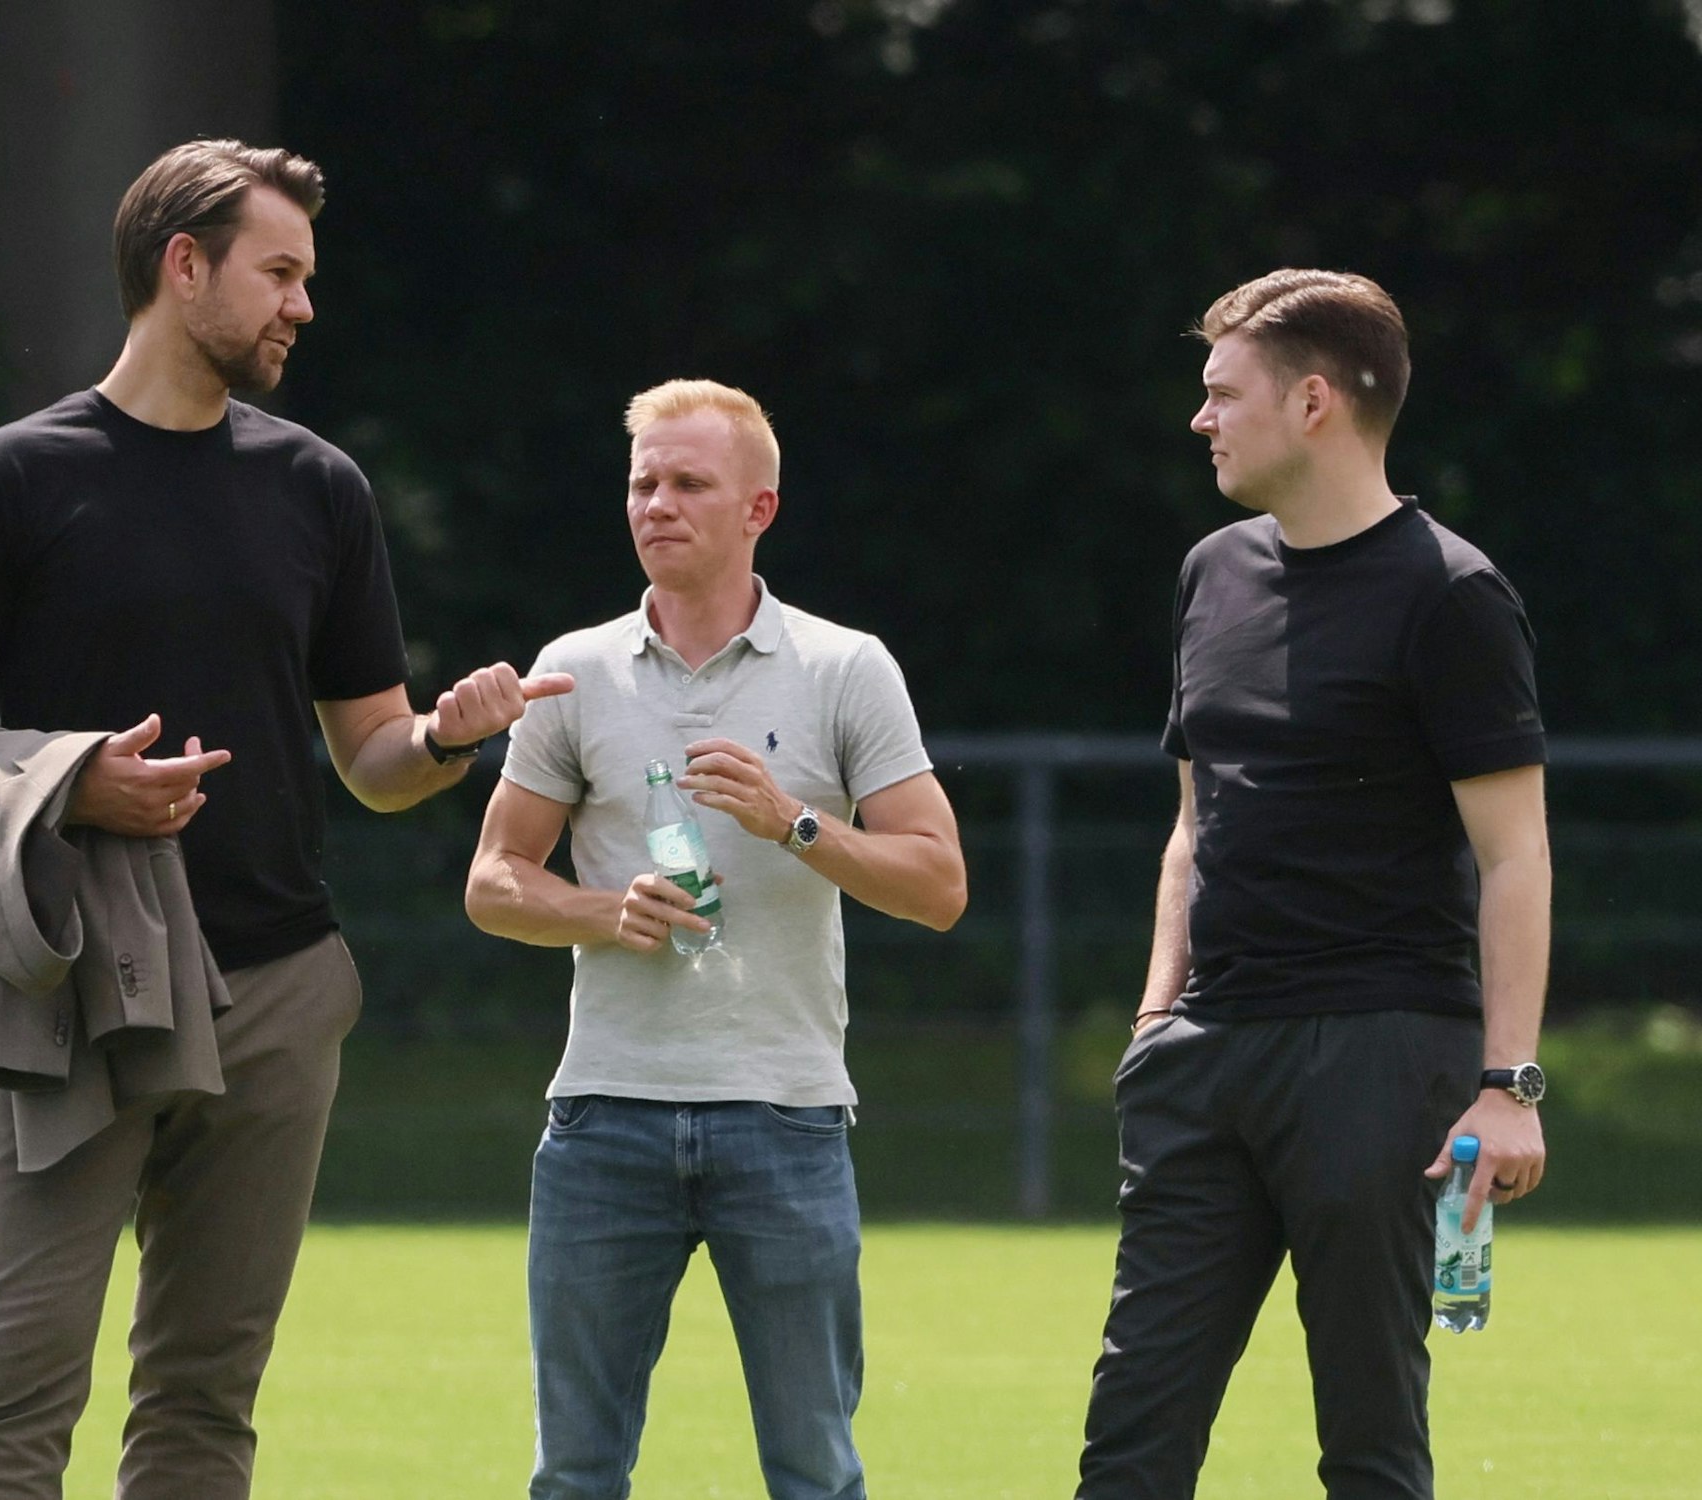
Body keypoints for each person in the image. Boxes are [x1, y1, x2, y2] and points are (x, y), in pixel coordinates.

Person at [0, 138, 570, 1500]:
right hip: (73, 989)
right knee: (12, 1394)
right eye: (279, 273)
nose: (302, 306)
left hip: (280, 990)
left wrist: (448, 736)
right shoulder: (6, 481)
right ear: (181, 266)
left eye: (306, 278)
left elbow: (372, 755)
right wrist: (77, 783)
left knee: (205, 1406)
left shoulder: (319, 487)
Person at [1075, 269, 1551, 1500]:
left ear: (1314, 404)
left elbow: (1514, 856)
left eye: (1221, 393)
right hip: (1202, 1056)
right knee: (1129, 1441)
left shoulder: (1451, 594)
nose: (1200, 419)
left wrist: (1506, 1086)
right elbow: (1192, 824)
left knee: (1368, 1445)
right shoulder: (1209, 572)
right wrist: (1152, 1017)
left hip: (1377, 1053)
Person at [465, 378, 967, 1500]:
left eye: (689, 483)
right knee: (574, 1474)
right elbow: (493, 883)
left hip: (784, 1115)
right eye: (642, 482)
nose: (658, 504)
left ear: (759, 509)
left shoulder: (845, 667)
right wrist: (607, 912)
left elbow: (937, 886)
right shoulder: (574, 669)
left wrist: (789, 821)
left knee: (812, 1471)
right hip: (602, 1117)